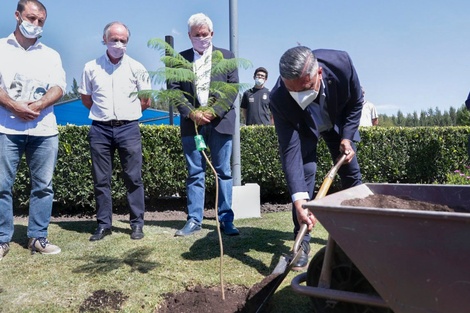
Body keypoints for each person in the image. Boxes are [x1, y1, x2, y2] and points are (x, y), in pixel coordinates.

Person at [269, 46, 363, 270]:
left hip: (337, 123)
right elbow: (290, 151)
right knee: (305, 175)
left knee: (352, 176)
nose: (301, 96)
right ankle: (301, 243)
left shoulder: (341, 64)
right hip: (304, 128)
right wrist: (299, 200)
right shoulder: (279, 98)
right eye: (294, 92)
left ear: (319, 73)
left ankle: (356, 236)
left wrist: (347, 137)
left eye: (306, 88)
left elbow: (355, 103)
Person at [0, 0, 66, 260]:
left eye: (40, 21)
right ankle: (2, 238)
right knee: (2, 185)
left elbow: (59, 87)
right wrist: (13, 106)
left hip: (44, 130)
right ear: (17, 15)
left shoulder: (51, 54)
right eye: (31, 18)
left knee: (43, 186)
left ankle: (37, 237)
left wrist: (37, 105)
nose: (35, 24)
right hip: (6, 128)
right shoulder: (1, 48)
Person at [78, 21, 151, 242]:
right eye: (114, 39)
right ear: (104, 40)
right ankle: (103, 224)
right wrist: (105, 115)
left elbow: (145, 100)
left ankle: (137, 224)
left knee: (133, 178)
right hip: (100, 129)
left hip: (129, 128)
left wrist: (126, 114)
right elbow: (86, 98)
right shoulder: (91, 67)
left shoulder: (137, 68)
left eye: (123, 40)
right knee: (101, 179)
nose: (118, 43)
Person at [170, 13, 240, 237]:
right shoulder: (178, 60)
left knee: (223, 173)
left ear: (212, 34)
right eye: (196, 35)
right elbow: (174, 91)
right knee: (195, 173)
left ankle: (226, 220)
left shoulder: (227, 57)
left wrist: (213, 111)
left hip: (220, 123)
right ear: (189, 36)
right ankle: (194, 220)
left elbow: (232, 89)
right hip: (192, 126)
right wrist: (191, 114)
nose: (201, 38)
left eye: (205, 34)